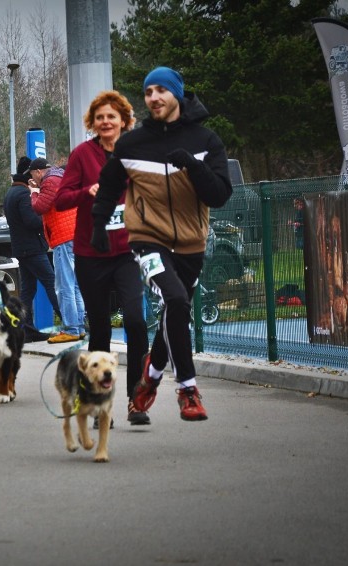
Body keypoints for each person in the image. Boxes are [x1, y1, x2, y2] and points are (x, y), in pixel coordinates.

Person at [92, 66, 232, 422]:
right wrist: (98, 226)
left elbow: (219, 195)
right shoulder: (132, 143)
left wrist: (192, 165)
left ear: (177, 94)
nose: (153, 97)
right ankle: (188, 390)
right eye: (148, 91)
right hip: (146, 239)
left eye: (160, 90)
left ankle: (148, 380)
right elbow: (109, 186)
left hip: (191, 243)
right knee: (174, 299)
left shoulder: (206, 141)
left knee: (176, 309)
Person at [55, 90, 151, 427]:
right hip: (90, 253)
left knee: (136, 323)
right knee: (98, 330)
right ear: (93, 124)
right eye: (100, 118)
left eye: (112, 116)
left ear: (124, 120)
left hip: (127, 251)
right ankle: (98, 405)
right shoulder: (82, 155)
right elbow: (61, 199)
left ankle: (136, 401)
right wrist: (87, 192)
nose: (106, 122)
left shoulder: (136, 151)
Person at [3, 155, 61, 341]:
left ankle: (25, 328)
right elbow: (30, 220)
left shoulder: (11, 193)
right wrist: (46, 219)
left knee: (28, 290)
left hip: (22, 248)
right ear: (30, 175)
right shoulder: (22, 194)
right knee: (51, 281)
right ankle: (70, 323)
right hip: (32, 248)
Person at [28, 157, 85, 344]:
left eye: (33, 176)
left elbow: (39, 207)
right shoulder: (61, 177)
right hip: (73, 235)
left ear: (37, 172)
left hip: (63, 237)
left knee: (64, 286)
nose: (34, 180)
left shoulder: (49, 181)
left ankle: (71, 328)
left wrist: (33, 192)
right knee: (75, 284)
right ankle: (79, 326)